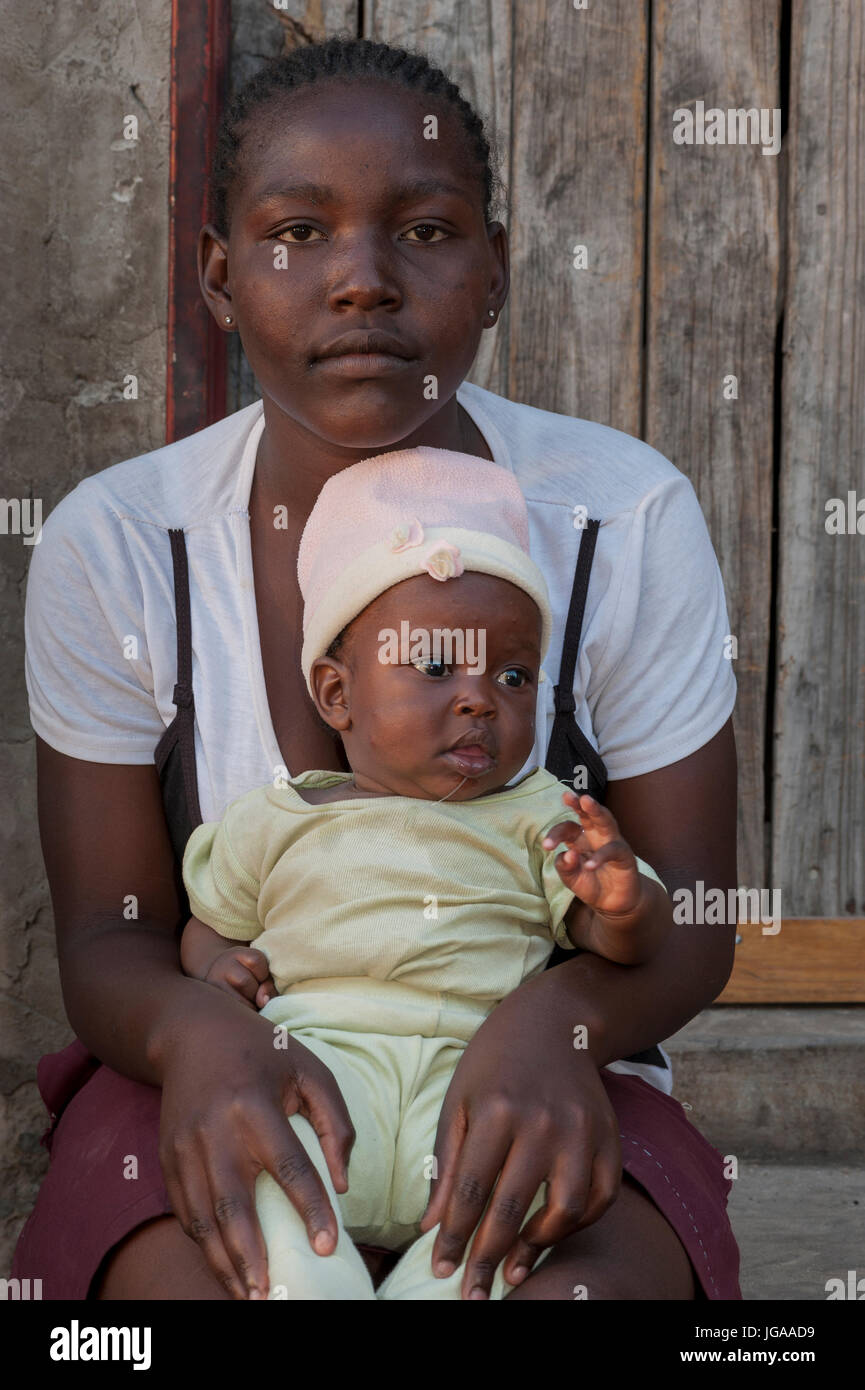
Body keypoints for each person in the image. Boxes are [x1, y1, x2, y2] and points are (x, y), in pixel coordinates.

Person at [14, 35, 741, 1301]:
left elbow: (691, 919)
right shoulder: (124, 544)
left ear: (498, 269)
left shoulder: (620, 517)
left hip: (536, 1072)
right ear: (220, 275)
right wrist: (196, 1031)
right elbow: (106, 933)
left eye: (425, 229)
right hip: (222, 1069)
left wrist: (554, 1023)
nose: (362, 281)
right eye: (298, 233)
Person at [178, 448, 677, 1300]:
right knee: (273, 1174)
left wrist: (620, 901)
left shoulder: (538, 815)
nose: (481, 697)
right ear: (338, 695)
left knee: (526, 1194)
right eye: (437, 666)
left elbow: (615, 938)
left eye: (513, 675)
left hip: (477, 1084)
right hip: (322, 1068)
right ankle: (310, 1283)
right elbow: (212, 923)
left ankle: (437, 1285)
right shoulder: (282, 816)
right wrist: (214, 969)